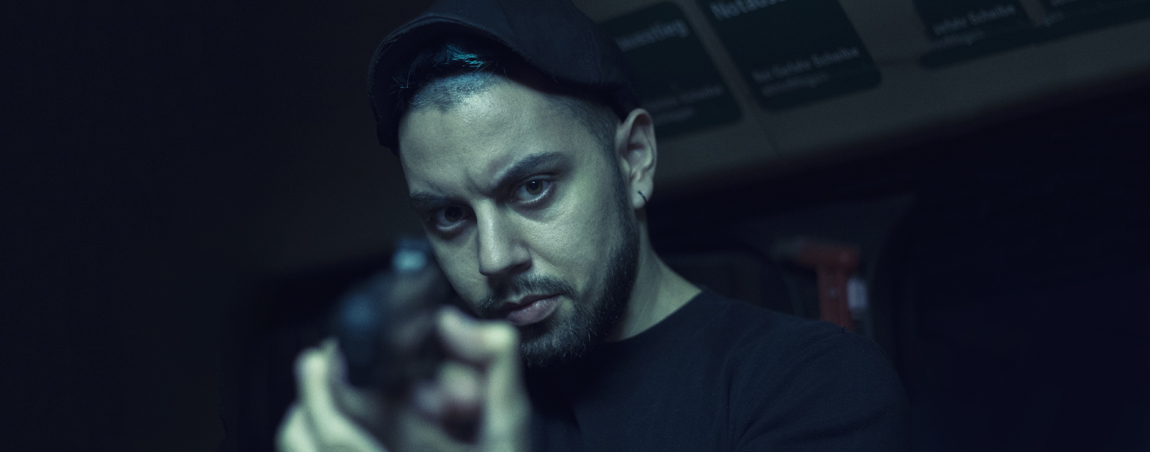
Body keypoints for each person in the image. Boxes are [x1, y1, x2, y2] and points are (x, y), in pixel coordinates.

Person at [276, 0, 909, 450]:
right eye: (450, 215)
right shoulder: (438, 416)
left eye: (533, 187)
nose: (494, 257)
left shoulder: (809, 383)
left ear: (634, 160)